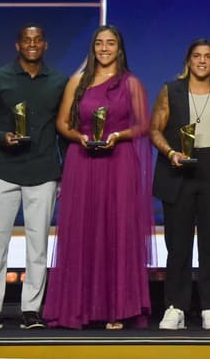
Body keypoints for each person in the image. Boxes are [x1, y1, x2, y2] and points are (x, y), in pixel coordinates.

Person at [43, 25, 154, 329]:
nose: (104, 48)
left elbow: (144, 125)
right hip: (83, 162)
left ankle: (116, 310)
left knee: (117, 233)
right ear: (93, 48)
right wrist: (79, 137)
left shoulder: (131, 83)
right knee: (84, 233)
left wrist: (118, 135)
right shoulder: (78, 81)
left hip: (118, 164)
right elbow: (62, 124)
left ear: (120, 48)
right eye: (99, 43)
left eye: (111, 43)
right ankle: (81, 309)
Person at [0, 24, 67, 330]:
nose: (32, 44)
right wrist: (0, 136)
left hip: (43, 171)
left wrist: (65, 172)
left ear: (45, 45)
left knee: (37, 245)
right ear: (18, 45)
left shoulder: (59, 82)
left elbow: (64, 129)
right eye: (27, 39)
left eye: (38, 39)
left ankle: (31, 311)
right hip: (3, 170)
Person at [151, 39, 210, 330]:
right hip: (179, 172)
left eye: (208, 56)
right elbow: (155, 130)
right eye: (197, 56)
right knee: (178, 246)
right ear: (188, 61)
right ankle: (176, 307)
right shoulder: (171, 90)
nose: (202, 61)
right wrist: (171, 152)